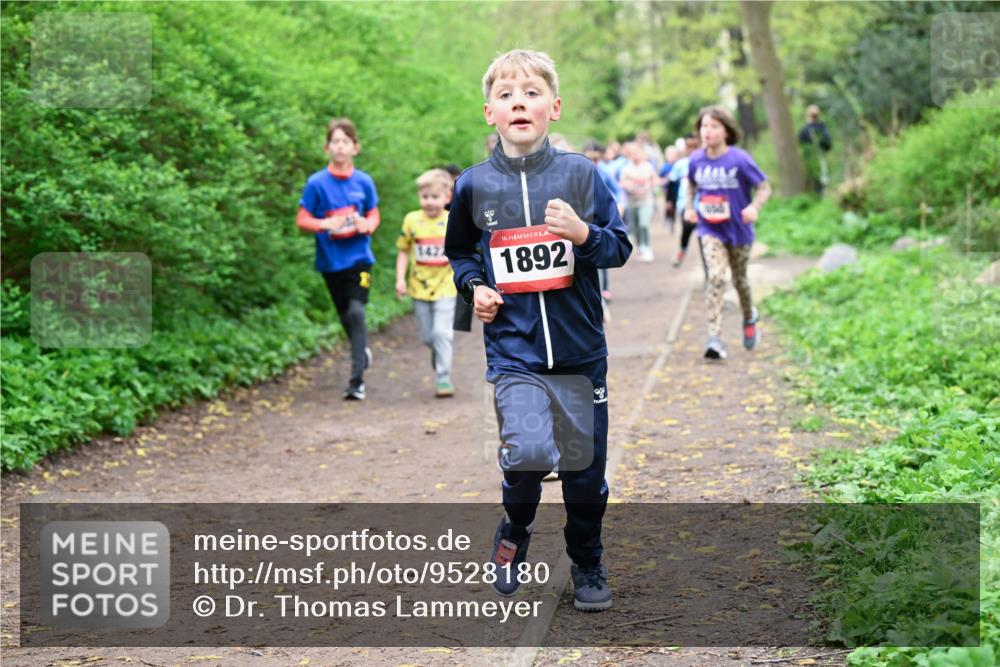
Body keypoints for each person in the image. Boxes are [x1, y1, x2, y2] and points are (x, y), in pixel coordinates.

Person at [445, 49, 631, 612]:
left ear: (554, 106)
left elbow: (618, 246)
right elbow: (460, 254)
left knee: (583, 474)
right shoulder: (473, 187)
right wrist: (474, 286)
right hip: (514, 353)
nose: (518, 102)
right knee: (526, 452)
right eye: (505, 95)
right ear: (489, 113)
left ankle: (587, 560)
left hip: (579, 353)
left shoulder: (580, 173)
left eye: (529, 93)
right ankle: (515, 528)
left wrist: (581, 234)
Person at [296, 117, 379, 400]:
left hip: (360, 259)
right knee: (346, 316)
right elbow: (302, 219)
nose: (340, 147)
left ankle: (357, 381)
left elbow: (373, 212)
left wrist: (368, 225)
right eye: (335, 142)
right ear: (327, 147)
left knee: (357, 312)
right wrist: (323, 225)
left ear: (355, 147)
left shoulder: (364, 182)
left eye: (346, 142)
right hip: (331, 261)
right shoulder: (316, 183)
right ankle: (361, 350)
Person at [684, 105, 771, 360]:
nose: (707, 131)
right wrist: (690, 208)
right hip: (710, 229)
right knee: (716, 277)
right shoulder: (696, 160)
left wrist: (754, 207)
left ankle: (748, 315)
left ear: (726, 131)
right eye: (704, 126)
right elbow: (690, 186)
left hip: (739, 230)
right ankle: (715, 337)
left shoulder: (739, 159)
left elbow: (764, 187)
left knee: (739, 280)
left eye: (713, 126)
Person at [396, 169, 458, 397]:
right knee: (427, 337)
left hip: (446, 286)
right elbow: (403, 251)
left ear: (446, 198)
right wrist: (400, 279)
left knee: (442, 333)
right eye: (425, 197)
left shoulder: (452, 220)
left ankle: (443, 377)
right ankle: (439, 353)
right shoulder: (412, 221)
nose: (430, 202)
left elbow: (462, 251)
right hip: (419, 287)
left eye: (435, 197)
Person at [619, 141, 658, 262]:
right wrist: (629, 186)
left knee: (644, 223)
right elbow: (622, 182)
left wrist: (649, 186)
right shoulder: (626, 168)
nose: (635, 155)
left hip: (646, 200)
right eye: (632, 153)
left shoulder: (648, 166)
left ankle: (647, 247)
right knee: (635, 227)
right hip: (632, 202)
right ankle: (641, 247)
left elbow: (655, 180)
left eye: (637, 153)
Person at [797, 104, 832, 194]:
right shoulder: (822, 128)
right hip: (820, 159)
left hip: (811, 162)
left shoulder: (804, 130)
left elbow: (799, 144)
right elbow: (828, 144)